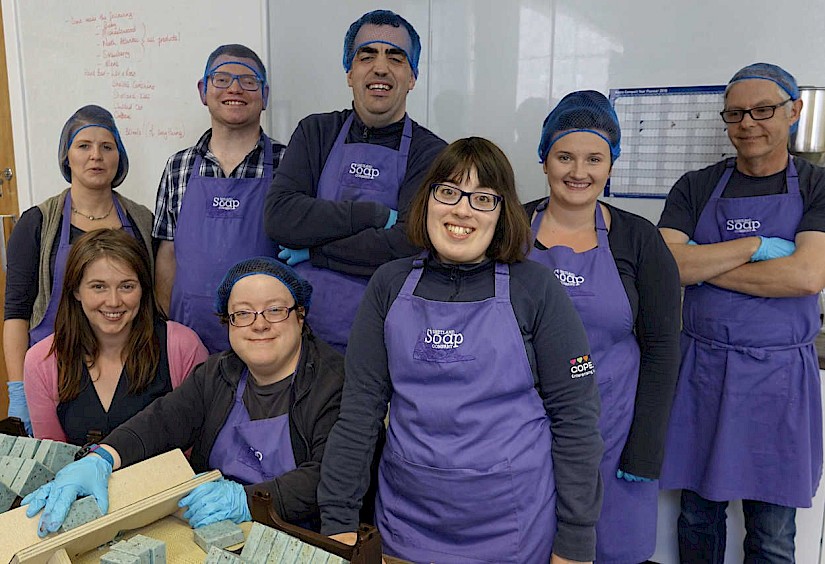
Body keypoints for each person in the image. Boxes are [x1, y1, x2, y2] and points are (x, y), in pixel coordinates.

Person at [318, 137, 603, 563]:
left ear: (503, 212)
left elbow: (576, 420)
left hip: (512, 525)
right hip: (407, 522)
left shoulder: (537, 290)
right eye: (448, 191)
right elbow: (359, 414)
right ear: (427, 201)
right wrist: (337, 523)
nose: (462, 210)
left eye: (483, 198)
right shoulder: (388, 285)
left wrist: (576, 542)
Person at [22, 257, 344, 537]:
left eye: (274, 310)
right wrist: (102, 457)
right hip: (215, 528)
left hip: (299, 533)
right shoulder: (218, 373)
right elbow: (162, 421)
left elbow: (332, 473)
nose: (259, 325)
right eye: (242, 314)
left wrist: (246, 500)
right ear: (227, 324)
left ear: (300, 315)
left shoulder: (335, 382)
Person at [658, 63, 825, 562]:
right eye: (735, 113)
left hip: (779, 380)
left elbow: (805, 277)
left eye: (763, 110)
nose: (747, 123)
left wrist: (704, 263)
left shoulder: (817, 185)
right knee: (697, 516)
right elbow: (666, 267)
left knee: (772, 532)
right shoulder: (696, 185)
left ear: (793, 112)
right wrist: (754, 245)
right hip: (702, 372)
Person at [524, 90, 682, 563]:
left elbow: (661, 350)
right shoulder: (509, 225)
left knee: (609, 549)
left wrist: (645, 451)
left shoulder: (639, 238)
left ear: (611, 164)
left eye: (594, 158)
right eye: (565, 156)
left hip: (613, 432)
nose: (579, 171)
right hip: (525, 427)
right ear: (544, 159)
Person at [264, 9, 446, 352]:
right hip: (301, 340)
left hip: (388, 343)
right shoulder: (316, 132)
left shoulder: (431, 152)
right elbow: (281, 218)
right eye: (367, 55)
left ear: (412, 76)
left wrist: (315, 250)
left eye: (396, 57)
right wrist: (371, 216)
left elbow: (408, 243)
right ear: (350, 72)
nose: (380, 67)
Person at [4, 105, 154, 435]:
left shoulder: (142, 221)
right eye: (83, 145)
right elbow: (16, 312)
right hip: (56, 372)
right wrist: (19, 390)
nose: (95, 156)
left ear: (119, 157)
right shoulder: (38, 224)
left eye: (107, 146)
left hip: (127, 372)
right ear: (66, 156)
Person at [153, 44, 286, 354]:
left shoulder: (289, 164)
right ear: (203, 90)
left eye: (248, 80)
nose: (235, 88)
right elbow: (167, 255)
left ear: (264, 95)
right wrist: (167, 332)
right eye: (222, 79)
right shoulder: (178, 167)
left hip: (266, 342)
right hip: (190, 342)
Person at [24, 229, 207, 445]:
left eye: (127, 286)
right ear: (76, 291)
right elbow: (53, 460)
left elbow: (198, 447)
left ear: (143, 289)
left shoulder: (182, 347)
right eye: (98, 287)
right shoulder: (42, 361)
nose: (113, 301)